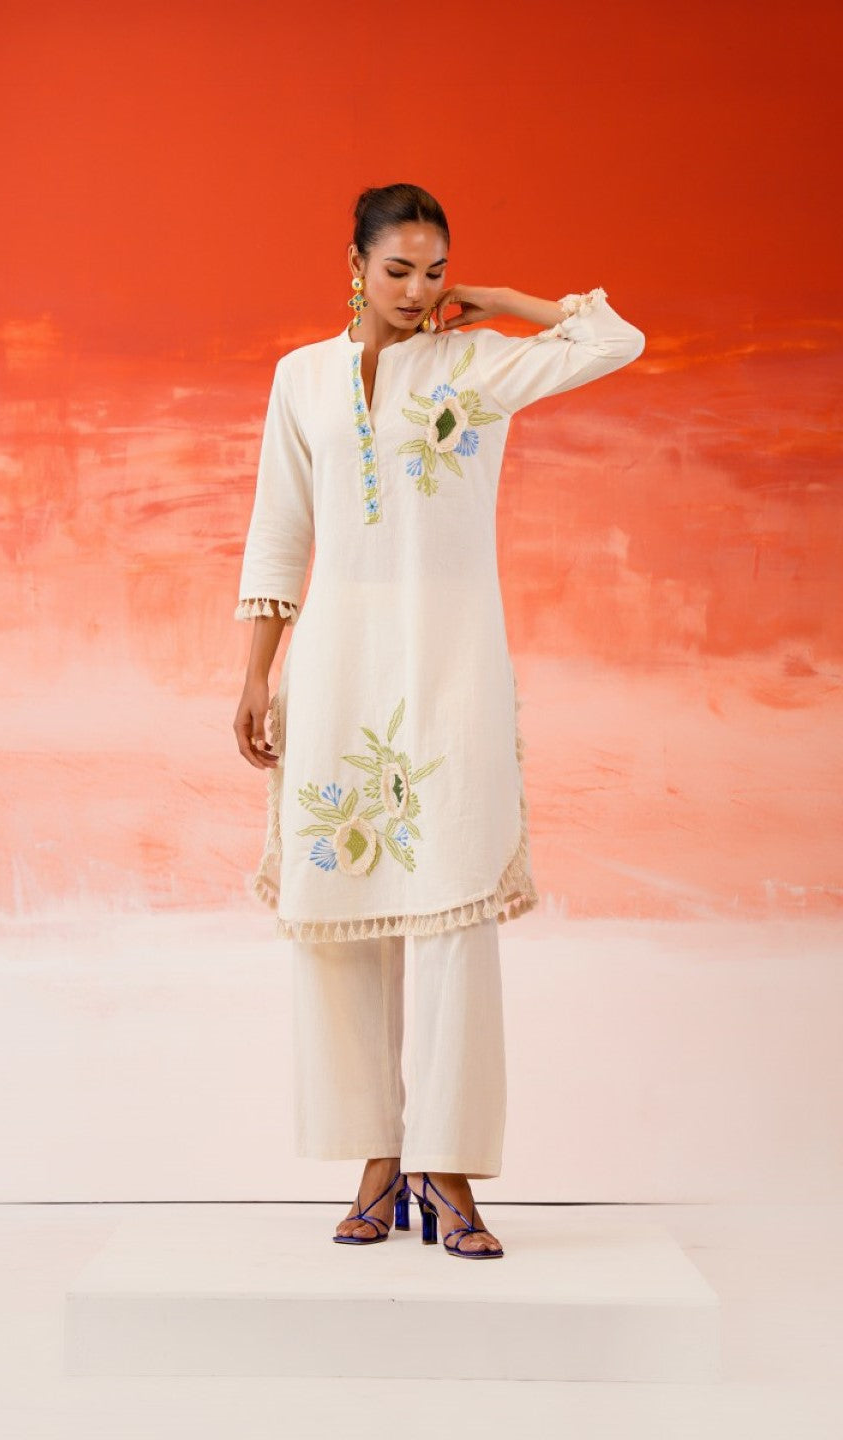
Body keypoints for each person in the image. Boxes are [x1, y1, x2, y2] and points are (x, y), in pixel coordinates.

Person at [233, 183, 645, 1258]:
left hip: (453, 666)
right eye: (398, 270)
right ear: (354, 267)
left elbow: (614, 340)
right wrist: (256, 675)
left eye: (434, 270)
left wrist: (503, 300)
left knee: (454, 912)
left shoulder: (475, 365)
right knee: (344, 914)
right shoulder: (302, 379)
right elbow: (279, 532)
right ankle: (377, 1158)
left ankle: (448, 1167)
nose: (418, 291)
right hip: (338, 667)